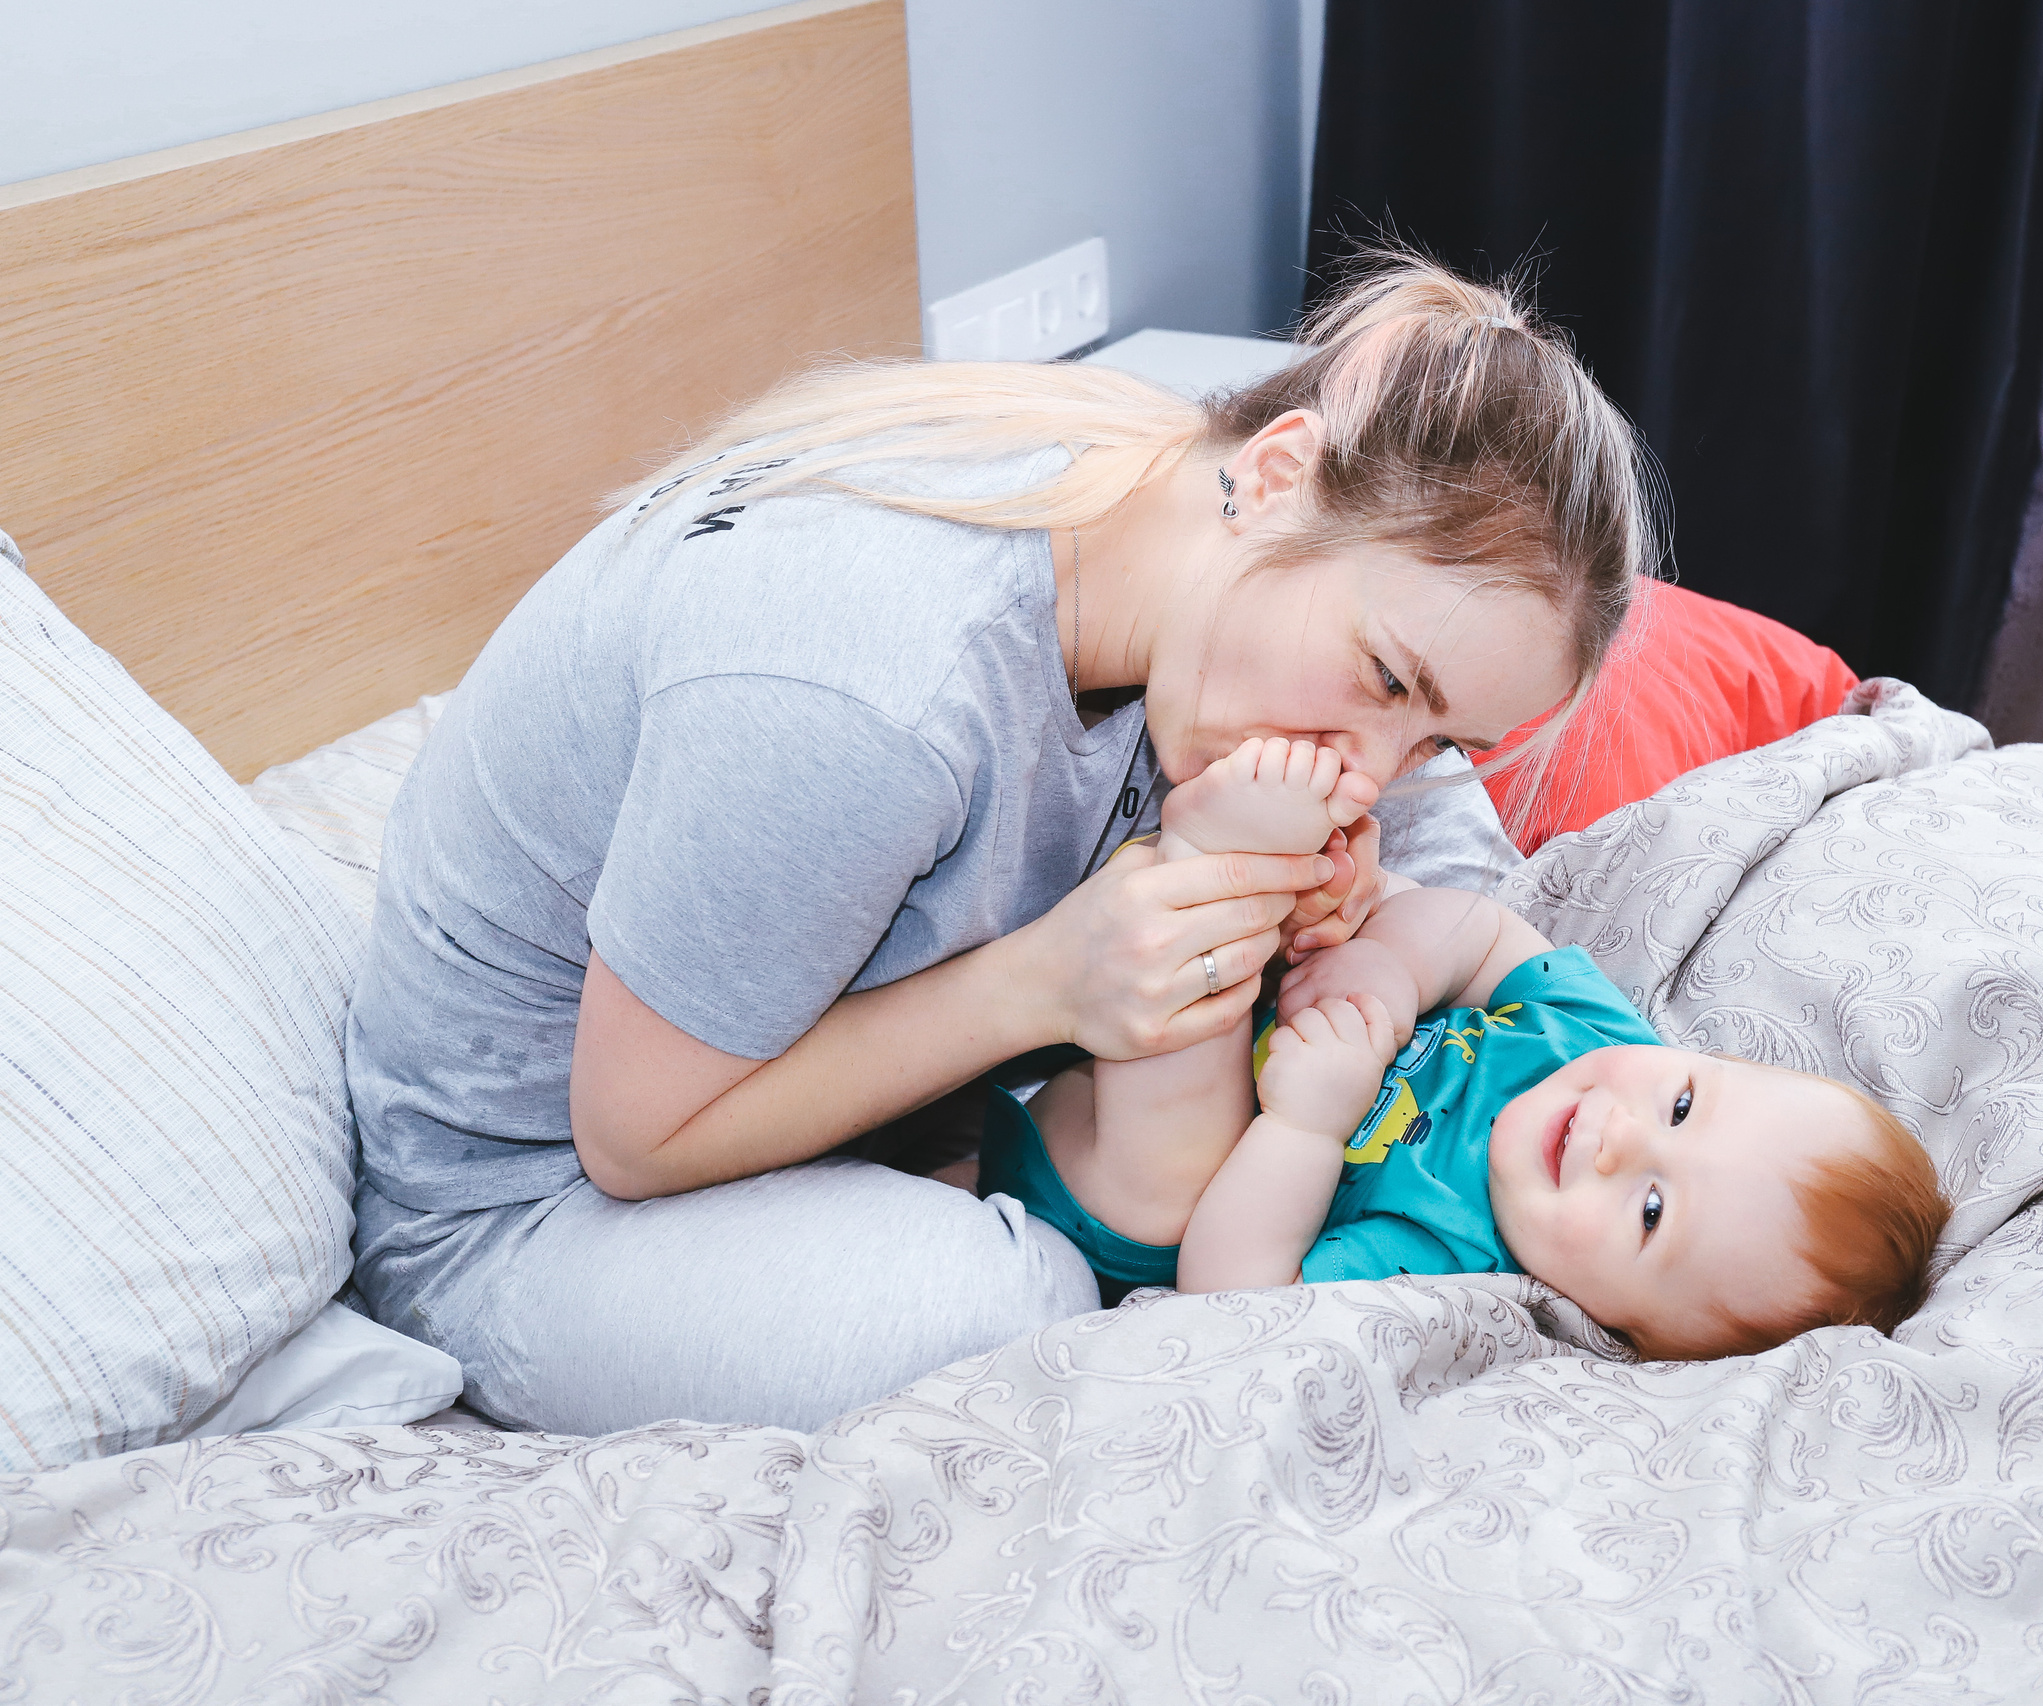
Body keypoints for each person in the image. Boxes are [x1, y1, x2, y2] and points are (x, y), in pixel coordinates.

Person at [344, 250, 1661, 1432]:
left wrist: (1350, 901)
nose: (1371, 774)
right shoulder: (871, 688)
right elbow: (636, 1135)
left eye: (1438, 740)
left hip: (832, 1108)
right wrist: (1045, 980)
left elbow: (1456, 868)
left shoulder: (1213, 558)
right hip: (531, 1200)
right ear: (1271, 477)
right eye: (1385, 682)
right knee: (1021, 1312)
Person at [981, 740, 1950, 1357]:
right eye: (1684, 1103)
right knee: (1380, 902)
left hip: (1115, 1170)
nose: (1618, 1134)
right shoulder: (1600, 1038)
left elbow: (1231, 1290)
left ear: (1623, 1330)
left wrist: (1307, 1124)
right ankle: (1245, 877)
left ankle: (1207, 875)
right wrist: (1391, 974)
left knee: (1170, 1190)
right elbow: (1482, 934)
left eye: (1650, 1208)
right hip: (1206, 1006)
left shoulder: (1453, 1258)